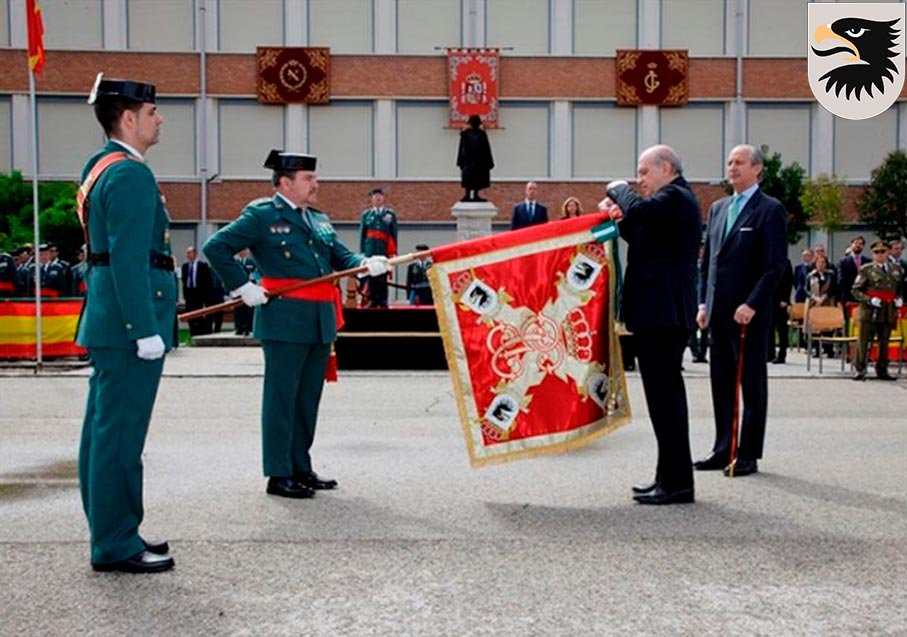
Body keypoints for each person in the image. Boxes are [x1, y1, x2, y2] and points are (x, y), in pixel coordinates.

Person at [203, 150, 389, 499]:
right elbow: (217, 247)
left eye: (315, 178)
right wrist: (243, 287)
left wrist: (366, 262)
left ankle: (300, 466)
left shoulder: (317, 219)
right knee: (281, 398)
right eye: (308, 179)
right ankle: (278, 473)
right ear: (286, 183)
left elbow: (339, 256)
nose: (315, 184)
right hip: (284, 318)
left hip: (319, 318)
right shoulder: (261, 216)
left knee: (306, 399)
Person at [75, 73, 176, 573]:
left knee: (104, 429)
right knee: (120, 434)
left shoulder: (100, 167)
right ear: (129, 118)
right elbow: (128, 260)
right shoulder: (130, 174)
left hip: (108, 320)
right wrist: (145, 329)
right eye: (152, 112)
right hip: (128, 324)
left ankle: (110, 528)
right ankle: (115, 542)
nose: (159, 119)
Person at [603, 144, 700, 505]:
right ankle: (668, 477)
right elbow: (642, 234)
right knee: (662, 403)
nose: (640, 181)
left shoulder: (676, 197)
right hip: (655, 315)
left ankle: (677, 483)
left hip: (665, 315)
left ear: (665, 167)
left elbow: (642, 210)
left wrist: (617, 188)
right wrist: (619, 216)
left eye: (643, 173)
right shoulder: (666, 205)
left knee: (667, 402)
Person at [695, 144, 787, 478]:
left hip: (749, 313)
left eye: (740, 162)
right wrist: (703, 302)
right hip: (718, 313)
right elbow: (709, 262)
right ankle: (723, 449)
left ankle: (747, 453)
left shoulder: (770, 210)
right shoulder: (718, 208)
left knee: (751, 383)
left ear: (757, 169)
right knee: (720, 381)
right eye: (730, 161)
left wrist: (752, 302)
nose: (732, 167)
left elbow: (775, 265)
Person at [851, 240, 903, 381]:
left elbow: (899, 288)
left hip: (887, 310)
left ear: (888, 253)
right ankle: (860, 369)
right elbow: (855, 290)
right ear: (873, 254)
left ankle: (882, 369)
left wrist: (899, 298)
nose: (880, 255)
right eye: (876, 252)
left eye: (883, 251)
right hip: (869, 310)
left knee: (884, 341)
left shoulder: (895, 269)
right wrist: (869, 299)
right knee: (864, 341)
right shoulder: (866, 269)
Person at [358, 188, 398, 308]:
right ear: (372, 199)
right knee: (371, 274)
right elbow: (362, 234)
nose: (378, 198)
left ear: (383, 198)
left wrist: (394, 251)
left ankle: (383, 300)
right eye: (375, 196)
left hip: (383, 248)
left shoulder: (389, 214)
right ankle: (373, 299)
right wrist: (362, 252)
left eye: (380, 196)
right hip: (370, 248)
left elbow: (394, 233)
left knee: (383, 273)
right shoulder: (366, 214)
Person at [456, 114, 495, 202]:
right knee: (474, 179)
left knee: (472, 179)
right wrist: (489, 162)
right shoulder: (474, 134)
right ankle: (470, 194)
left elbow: (461, 150)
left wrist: (460, 161)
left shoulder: (467, 134)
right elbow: (487, 149)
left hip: (472, 163)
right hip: (475, 163)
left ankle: (471, 194)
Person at [806, 254, 838, 358]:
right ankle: (816, 349)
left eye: (823, 262)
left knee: (828, 326)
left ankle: (829, 349)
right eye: (819, 262)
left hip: (828, 302)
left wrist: (824, 297)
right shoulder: (811, 275)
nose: (821, 264)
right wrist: (815, 298)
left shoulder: (831, 274)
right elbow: (806, 289)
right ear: (815, 264)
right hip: (814, 303)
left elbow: (833, 288)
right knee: (816, 326)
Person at [181, 246, 213, 335]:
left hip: (199, 293)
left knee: (198, 312)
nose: (187, 255)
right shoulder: (185, 266)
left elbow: (208, 281)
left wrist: (207, 294)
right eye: (187, 253)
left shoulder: (202, 266)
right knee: (190, 313)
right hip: (189, 293)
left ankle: (201, 331)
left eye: (189, 253)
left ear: (195, 254)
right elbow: (184, 280)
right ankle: (193, 331)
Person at [768, 258, 793, 364]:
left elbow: (788, 281)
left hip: (780, 300)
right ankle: (770, 353)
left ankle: (782, 354)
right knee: (769, 327)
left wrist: (785, 298)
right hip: (769, 298)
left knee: (782, 328)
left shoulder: (785, 262)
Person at [838, 236, 870, 305]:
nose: (858, 245)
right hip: (848, 297)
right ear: (851, 245)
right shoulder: (843, 261)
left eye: (860, 244)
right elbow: (841, 280)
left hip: (864, 297)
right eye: (856, 243)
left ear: (863, 247)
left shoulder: (868, 261)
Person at [232, 249, 257, 336]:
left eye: (244, 250)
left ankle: (248, 328)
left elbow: (254, 274)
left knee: (249, 309)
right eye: (240, 251)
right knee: (238, 308)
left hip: (249, 288)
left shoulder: (251, 261)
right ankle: (239, 327)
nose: (242, 252)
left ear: (247, 251)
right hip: (238, 288)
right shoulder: (234, 262)